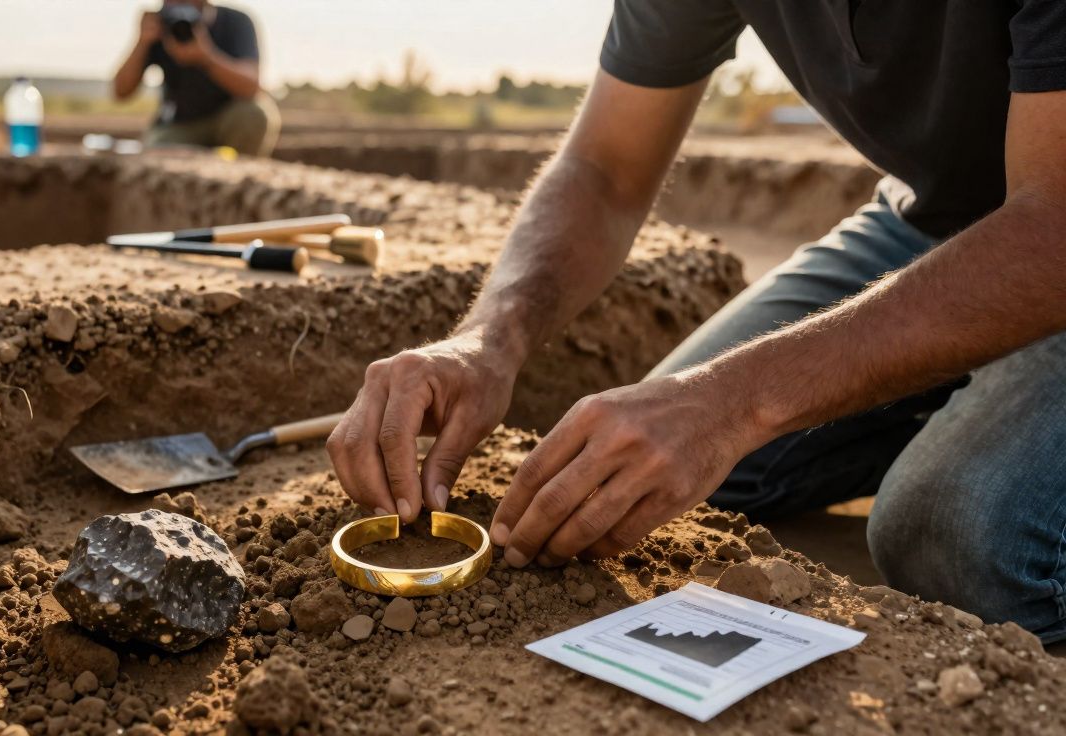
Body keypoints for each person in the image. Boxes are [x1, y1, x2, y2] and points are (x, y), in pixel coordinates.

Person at [327, 1, 1066, 642]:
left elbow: (1053, 224)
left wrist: (731, 399)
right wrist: (486, 339)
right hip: (931, 218)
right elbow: (607, 168)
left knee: (960, 537)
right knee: (657, 474)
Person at [113, 0, 279, 156]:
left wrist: (206, 58)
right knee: (158, 152)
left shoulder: (236, 21)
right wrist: (142, 42)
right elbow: (121, 91)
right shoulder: (160, 27)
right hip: (179, 126)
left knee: (253, 114)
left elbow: (251, 86)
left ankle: (239, 178)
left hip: (228, 119)